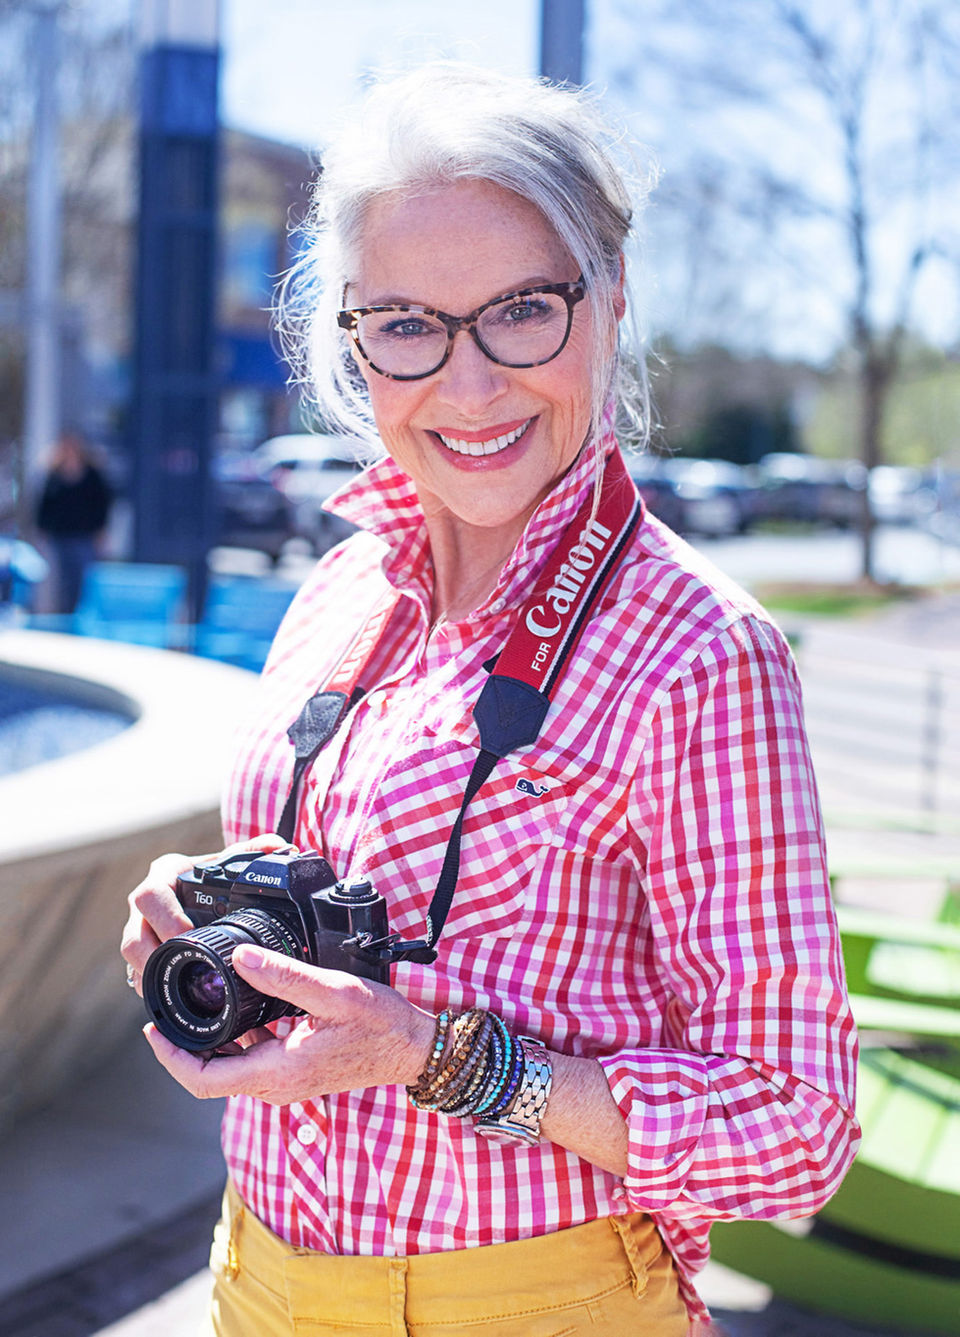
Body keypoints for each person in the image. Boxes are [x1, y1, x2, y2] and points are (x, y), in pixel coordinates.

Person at [121, 64, 859, 1336]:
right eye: (408, 324)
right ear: (351, 338)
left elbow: (797, 1121)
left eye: (522, 311)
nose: (467, 388)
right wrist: (212, 912)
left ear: (611, 303)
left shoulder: (697, 651)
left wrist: (433, 1051)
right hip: (258, 1276)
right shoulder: (342, 587)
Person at [35, 430, 112, 613]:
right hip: (61, 535)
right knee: (65, 580)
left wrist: (101, 530)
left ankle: (84, 615)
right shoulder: (54, 475)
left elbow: (102, 503)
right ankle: (67, 616)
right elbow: (44, 504)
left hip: (85, 536)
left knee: (85, 579)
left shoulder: (92, 475)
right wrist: (42, 529)